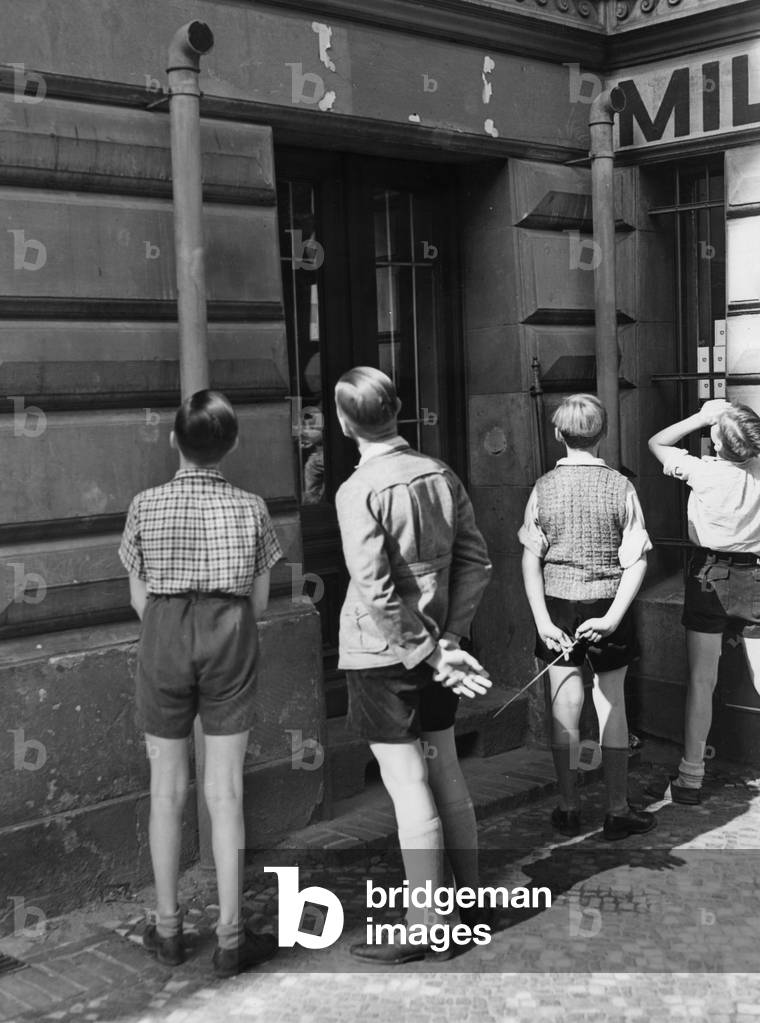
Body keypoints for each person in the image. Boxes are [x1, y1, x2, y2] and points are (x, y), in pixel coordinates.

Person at [118, 390, 283, 977]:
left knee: (166, 786)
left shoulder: (144, 505)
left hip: (163, 631)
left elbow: (138, 597)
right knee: (226, 790)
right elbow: (259, 599)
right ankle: (232, 937)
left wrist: (172, 629)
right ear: (232, 445)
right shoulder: (252, 507)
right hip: (230, 631)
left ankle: (166, 930)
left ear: (173, 442)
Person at [333, 366, 493, 964]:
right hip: (440, 648)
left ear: (347, 423)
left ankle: (428, 923)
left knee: (407, 786)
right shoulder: (441, 473)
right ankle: (470, 901)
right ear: (397, 408)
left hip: (383, 655)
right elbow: (478, 562)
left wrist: (429, 650)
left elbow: (374, 591)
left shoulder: (357, 491)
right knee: (445, 767)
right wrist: (449, 640)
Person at [519, 394, 656, 841]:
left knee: (566, 707)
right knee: (611, 702)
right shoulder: (621, 486)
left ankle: (568, 805)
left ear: (558, 433)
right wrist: (614, 617)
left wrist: (541, 619)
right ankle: (617, 809)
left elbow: (530, 558)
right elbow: (636, 559)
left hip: (557, 604)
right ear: (604, 433)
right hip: (606, 602)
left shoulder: (543, 487)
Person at [648, 398, 760, 804]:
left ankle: (691, 777)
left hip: (708, 575)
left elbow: (657, 443)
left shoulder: (702, 471)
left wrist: (701, 416)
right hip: (756, 576)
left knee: (701, 680)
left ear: (716, 444)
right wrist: (730, 421)